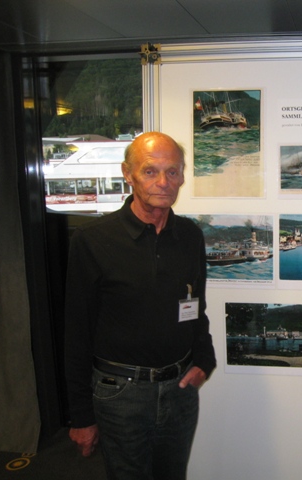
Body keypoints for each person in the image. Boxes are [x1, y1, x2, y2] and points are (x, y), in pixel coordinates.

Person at [64, 132, 216, 479]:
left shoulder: (190, 236)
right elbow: (76, 332)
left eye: (172, 172)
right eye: (150, 171)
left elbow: (196, 306)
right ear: (128, 174)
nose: (163, 182)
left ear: (182, 176)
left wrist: (204, 360)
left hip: (179, 391)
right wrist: (81, 416)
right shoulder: (93, 240)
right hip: (120, 395)